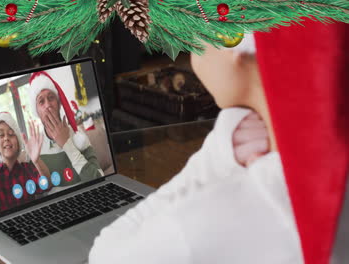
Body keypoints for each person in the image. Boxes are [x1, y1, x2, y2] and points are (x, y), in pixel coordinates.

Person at [88, 33, 306, 263]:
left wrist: (222, 146)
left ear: (232, 43)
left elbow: (104, 255)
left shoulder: (193, 228)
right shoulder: (300, 156)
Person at [28, 71, 103, 188]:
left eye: (51, 98)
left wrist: (67, 144)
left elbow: (99, 179)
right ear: (36, 111)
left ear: (59, 103)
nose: (47, 105)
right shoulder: (35, 148)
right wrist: (36, 162)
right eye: (41, 101)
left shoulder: (79, 136)